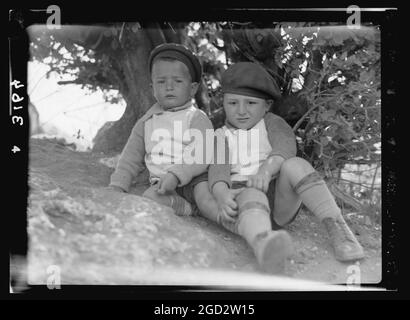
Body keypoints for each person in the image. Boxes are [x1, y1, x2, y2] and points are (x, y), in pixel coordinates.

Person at [207, 62, 364, 274]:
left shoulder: (273, 123)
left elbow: (285, 147)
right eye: (233, 103)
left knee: (296, 165)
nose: (241, 111)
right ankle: (264, 244)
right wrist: (221, 193)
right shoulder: (219, 135)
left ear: (267, 105)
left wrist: (265, 171)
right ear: (223, 103)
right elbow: (218, 169)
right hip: (245, 202)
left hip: (279, 201)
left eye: (251, 103)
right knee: (251, 193)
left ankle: (337, 226)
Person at [108, 43, 213, 216]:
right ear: (152, 88)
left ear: (193, 88)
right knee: (149, 197)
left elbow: (201, 154)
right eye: (161, 81)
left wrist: (176, 175)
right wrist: (118, 185)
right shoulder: (147, 122)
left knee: (206, 197)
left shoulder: (196, 117)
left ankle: (201, 208)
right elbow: (130, 157)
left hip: (194, 180)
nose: (169, 87)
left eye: (178, 81)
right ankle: (185, 208)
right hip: (162, 185)